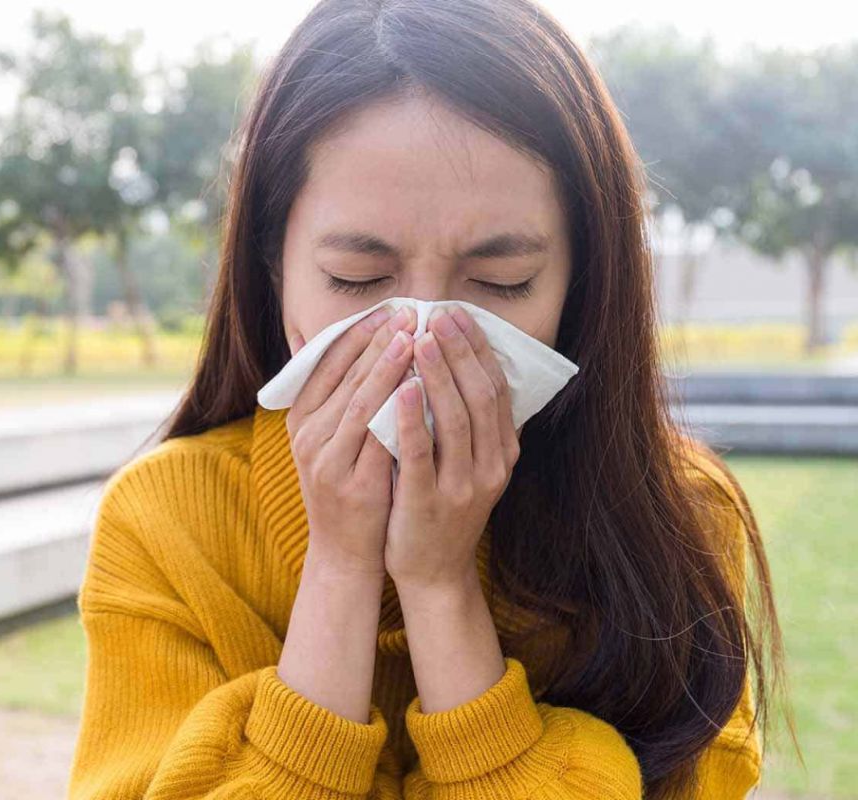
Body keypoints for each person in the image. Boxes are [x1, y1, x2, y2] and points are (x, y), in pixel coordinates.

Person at [67, 0, 798, 797]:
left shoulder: (676, 516)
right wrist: (341, 570)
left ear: (581, 281)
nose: (422, 340)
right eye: (358, 278)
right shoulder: (168, 519)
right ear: (272, 264)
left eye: (500, 283)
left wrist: (441, 587)